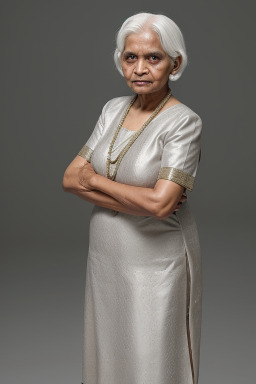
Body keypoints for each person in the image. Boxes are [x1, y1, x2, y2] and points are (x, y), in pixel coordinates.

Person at [62, 11, 203, 384]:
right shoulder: (112, 110)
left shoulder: (183, 122)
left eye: (153, 57)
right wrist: (141, 199)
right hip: (107, 255)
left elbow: (160, 206)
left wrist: (97, 182)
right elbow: (69, 179)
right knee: (109, 352)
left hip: (157, 261)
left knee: (153, 360)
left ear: (176, 62)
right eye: (130, 57)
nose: (140, 68)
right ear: (120, 61)